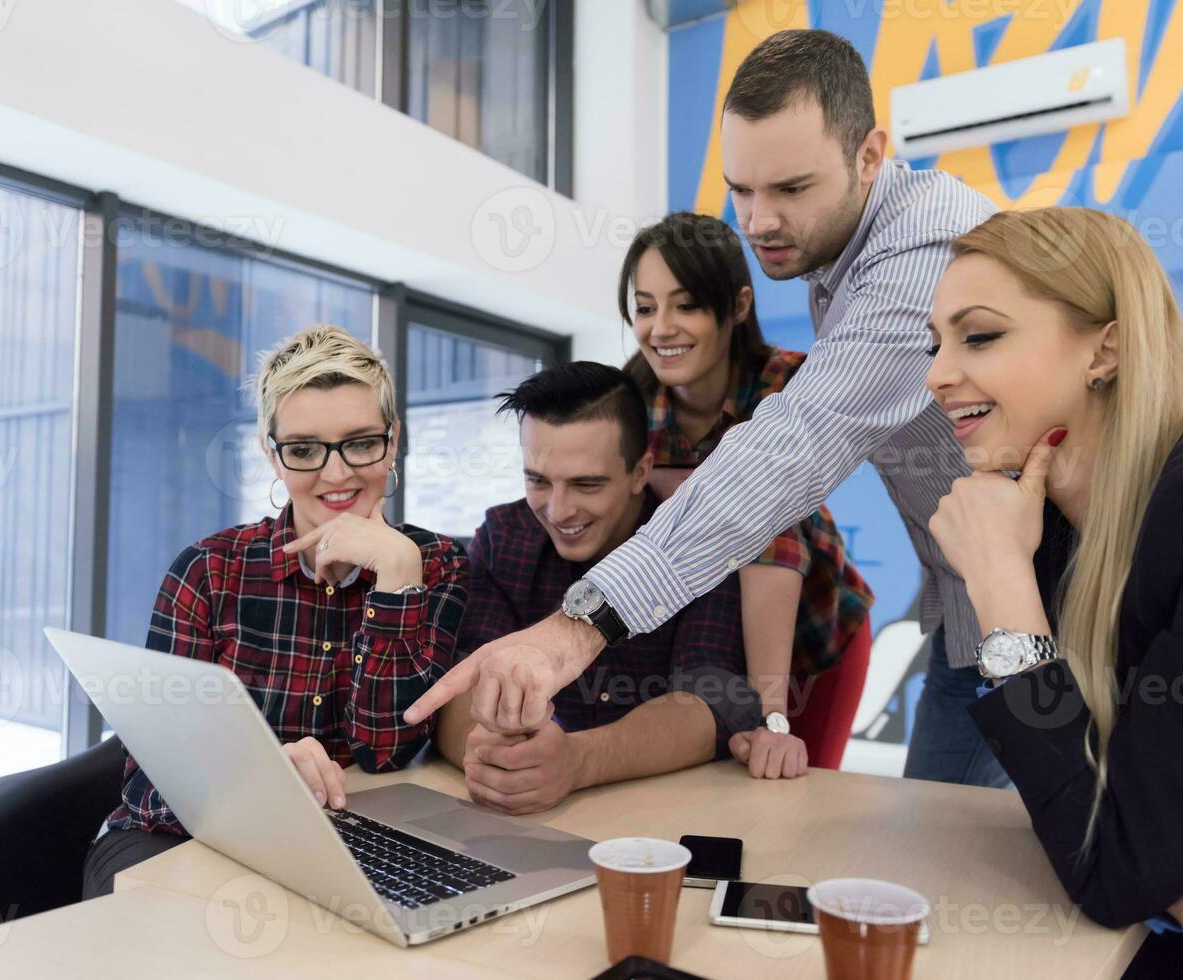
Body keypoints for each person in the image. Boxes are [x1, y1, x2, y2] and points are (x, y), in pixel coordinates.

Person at [407, 29, 1007, 789]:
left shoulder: (910, 261)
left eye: (790, 189)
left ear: (868, 157)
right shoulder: (642, 391)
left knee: (1054, 863)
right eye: (741, 190)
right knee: (952, 845)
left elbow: (785, 469)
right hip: (970, 613)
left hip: (1026, 615)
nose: (757, 221)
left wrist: (586, 629)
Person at [923, 207, 1183, 976]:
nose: (936, 372)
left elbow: (1112, 868)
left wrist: (1000, 586)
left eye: (978, 336)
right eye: (932, 342)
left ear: (1103, 349)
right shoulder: (1044, 517)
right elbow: (1094, 813)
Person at [82, 325, 468, 898]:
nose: (337, 474)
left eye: (361, 442)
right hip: (179, 841)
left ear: (393, 441)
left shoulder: (436, 565)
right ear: (271, 453)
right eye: (305, 450)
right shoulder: (210, 570)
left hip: (347, 840)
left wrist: (397, 583)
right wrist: (258, 781)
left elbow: (389, 753)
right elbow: (151, 780)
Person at [435, 362, 758, 813]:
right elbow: (465, 673)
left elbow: (714, 699)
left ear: (640, 472)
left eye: (587, 484)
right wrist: (488, 758)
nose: (559, 510)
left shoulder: (696, 544)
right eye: (538, 480)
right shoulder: (503, 536)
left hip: (665, 813)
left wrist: (578, 762)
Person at [620, 211, 873, 777]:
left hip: (815, 636)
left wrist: (771, 717)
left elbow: (766, 541)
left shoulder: (787, 385)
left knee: (789, 788)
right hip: (704, 649)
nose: (660, 328)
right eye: (644, 307)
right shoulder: (628, 404)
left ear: (736, 306)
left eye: (685, 305)